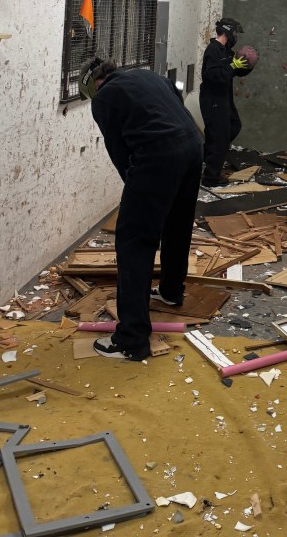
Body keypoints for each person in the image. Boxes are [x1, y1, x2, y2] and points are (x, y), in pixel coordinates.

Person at [78, 57, 203, 361]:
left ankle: (132, 338)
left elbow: (120, 153)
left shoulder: (104, 99)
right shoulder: (150, 76)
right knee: (177, 222)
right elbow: (179, 108)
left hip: (158, 155)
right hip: (192, 147)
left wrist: (139, 197)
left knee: (134, 239)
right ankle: (172, 291)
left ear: (93, 86)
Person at [199, 17, 250, 187]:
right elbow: (212, 76)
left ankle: (208, 156)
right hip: (212, 99)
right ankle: (210, 177)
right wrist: (231, 67)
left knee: (234, 126)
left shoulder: (225, 51)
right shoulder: (213, 50)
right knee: (219, 136)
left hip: (223, 97)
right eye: (235, 32)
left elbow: (233, 72)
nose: (236, 36)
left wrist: (245, 66)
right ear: (228, 31)